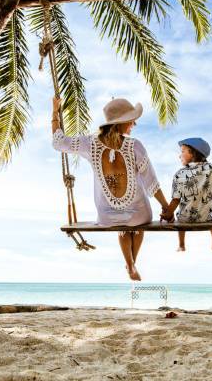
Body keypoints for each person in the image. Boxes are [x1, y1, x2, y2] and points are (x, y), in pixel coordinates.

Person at [51, 97, 171, 281]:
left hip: (107, 216)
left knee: (122, 227)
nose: (135, 123)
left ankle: (130, 265)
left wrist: (55, 112)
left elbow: (58, 142)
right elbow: (151, 182)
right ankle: (131, 265)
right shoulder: (135, 146)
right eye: (131, 119)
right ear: (120, 123)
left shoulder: (89, 143)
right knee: (138, 226)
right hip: (140, 214)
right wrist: (166, 208)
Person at [161, 137, 212, 251]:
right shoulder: (211, 168)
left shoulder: (179, 174)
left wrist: (167, 213)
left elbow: (175, 201)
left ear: (192, 153)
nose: (179, 155)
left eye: (182, 151)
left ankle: (181, 245)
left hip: (186, 218)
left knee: (179, 215)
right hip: (209, 217)